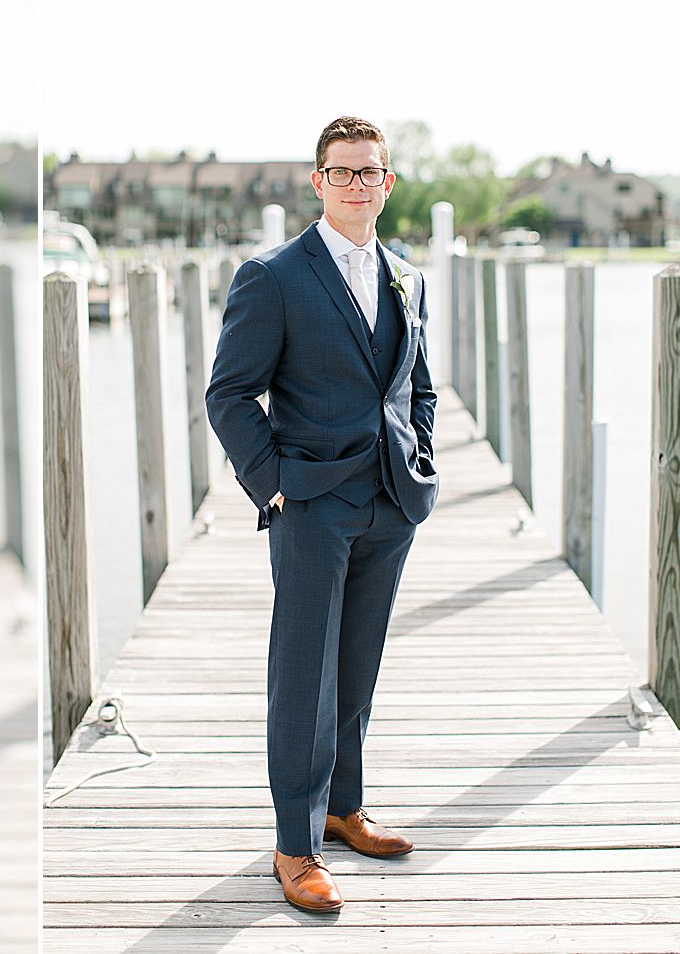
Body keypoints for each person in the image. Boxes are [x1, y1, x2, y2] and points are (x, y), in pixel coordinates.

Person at [206, 116, 438, 913]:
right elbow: (230, 394)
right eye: (341, 173)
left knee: (358, 665)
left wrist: (422, 460)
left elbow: (418, 386)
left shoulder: (407, 274)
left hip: (391, 500)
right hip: (310, 502)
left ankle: (344, 808)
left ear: (387, 183)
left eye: (369, 173)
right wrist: (273, 482)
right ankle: (296, 844)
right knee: (303, 673)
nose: (355, 185)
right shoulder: (272, 276)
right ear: (318, 182)